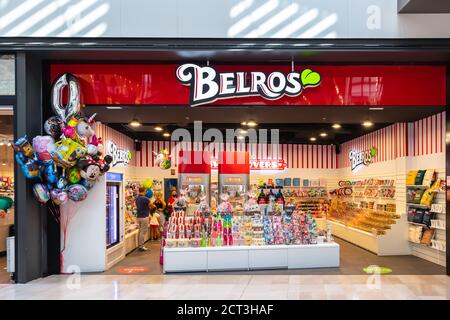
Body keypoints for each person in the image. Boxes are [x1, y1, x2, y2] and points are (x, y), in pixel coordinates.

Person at [135, 186, 151, 251]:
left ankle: (139, 244)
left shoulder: (137, 198)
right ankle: (141, 246)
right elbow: (152, 205)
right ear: (144, 191)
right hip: (144, 216)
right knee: (143, 232)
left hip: (138, 216)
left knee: (140, 231)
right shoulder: (146, 198)